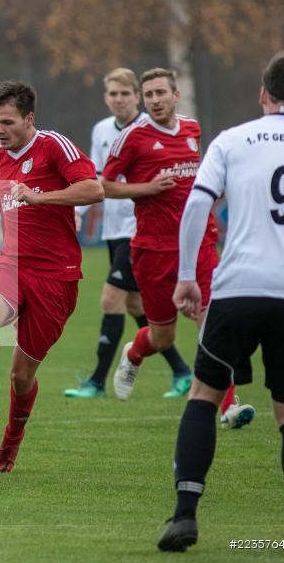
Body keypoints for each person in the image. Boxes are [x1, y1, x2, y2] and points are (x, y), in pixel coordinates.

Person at [157, 49, 284, 552]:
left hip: (237, 289)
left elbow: (198, 204)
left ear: (263, 95)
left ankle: (183, 518)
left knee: (204, 395)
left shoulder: (232, 140)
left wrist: (185, 277)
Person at [0, 81, 103, 473]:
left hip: (56, 277)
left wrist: (40, 197)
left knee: (21, 374)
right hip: (11, 265)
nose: (0, 130)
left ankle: (10, 445)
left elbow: (94, 189)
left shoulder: (54, 147)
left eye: (7, 122)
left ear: (29, 119)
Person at [102, 68, 254, 428]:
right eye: (149, 94)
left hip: (199, 243)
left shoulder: (191, 130)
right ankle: (135, 352)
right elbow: (104, 185)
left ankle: (228, 407)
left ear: (176, 95)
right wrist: (146, 189)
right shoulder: (133, 138)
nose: (154, 100)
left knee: (211, 321)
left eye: (160, 93)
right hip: (153, 251)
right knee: (162, 335)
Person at [65, 68, 192, 399]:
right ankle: (182, 371)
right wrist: (77, 213)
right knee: (136, 305)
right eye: (113, 94)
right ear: (105, 98)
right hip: (114, 229)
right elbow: (93, 178)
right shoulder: (101, 130)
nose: (119, 100)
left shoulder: (150, 129)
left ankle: (96, 382)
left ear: (137, 96)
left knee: (111, 298)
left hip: (141, 230)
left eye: (126, 94)